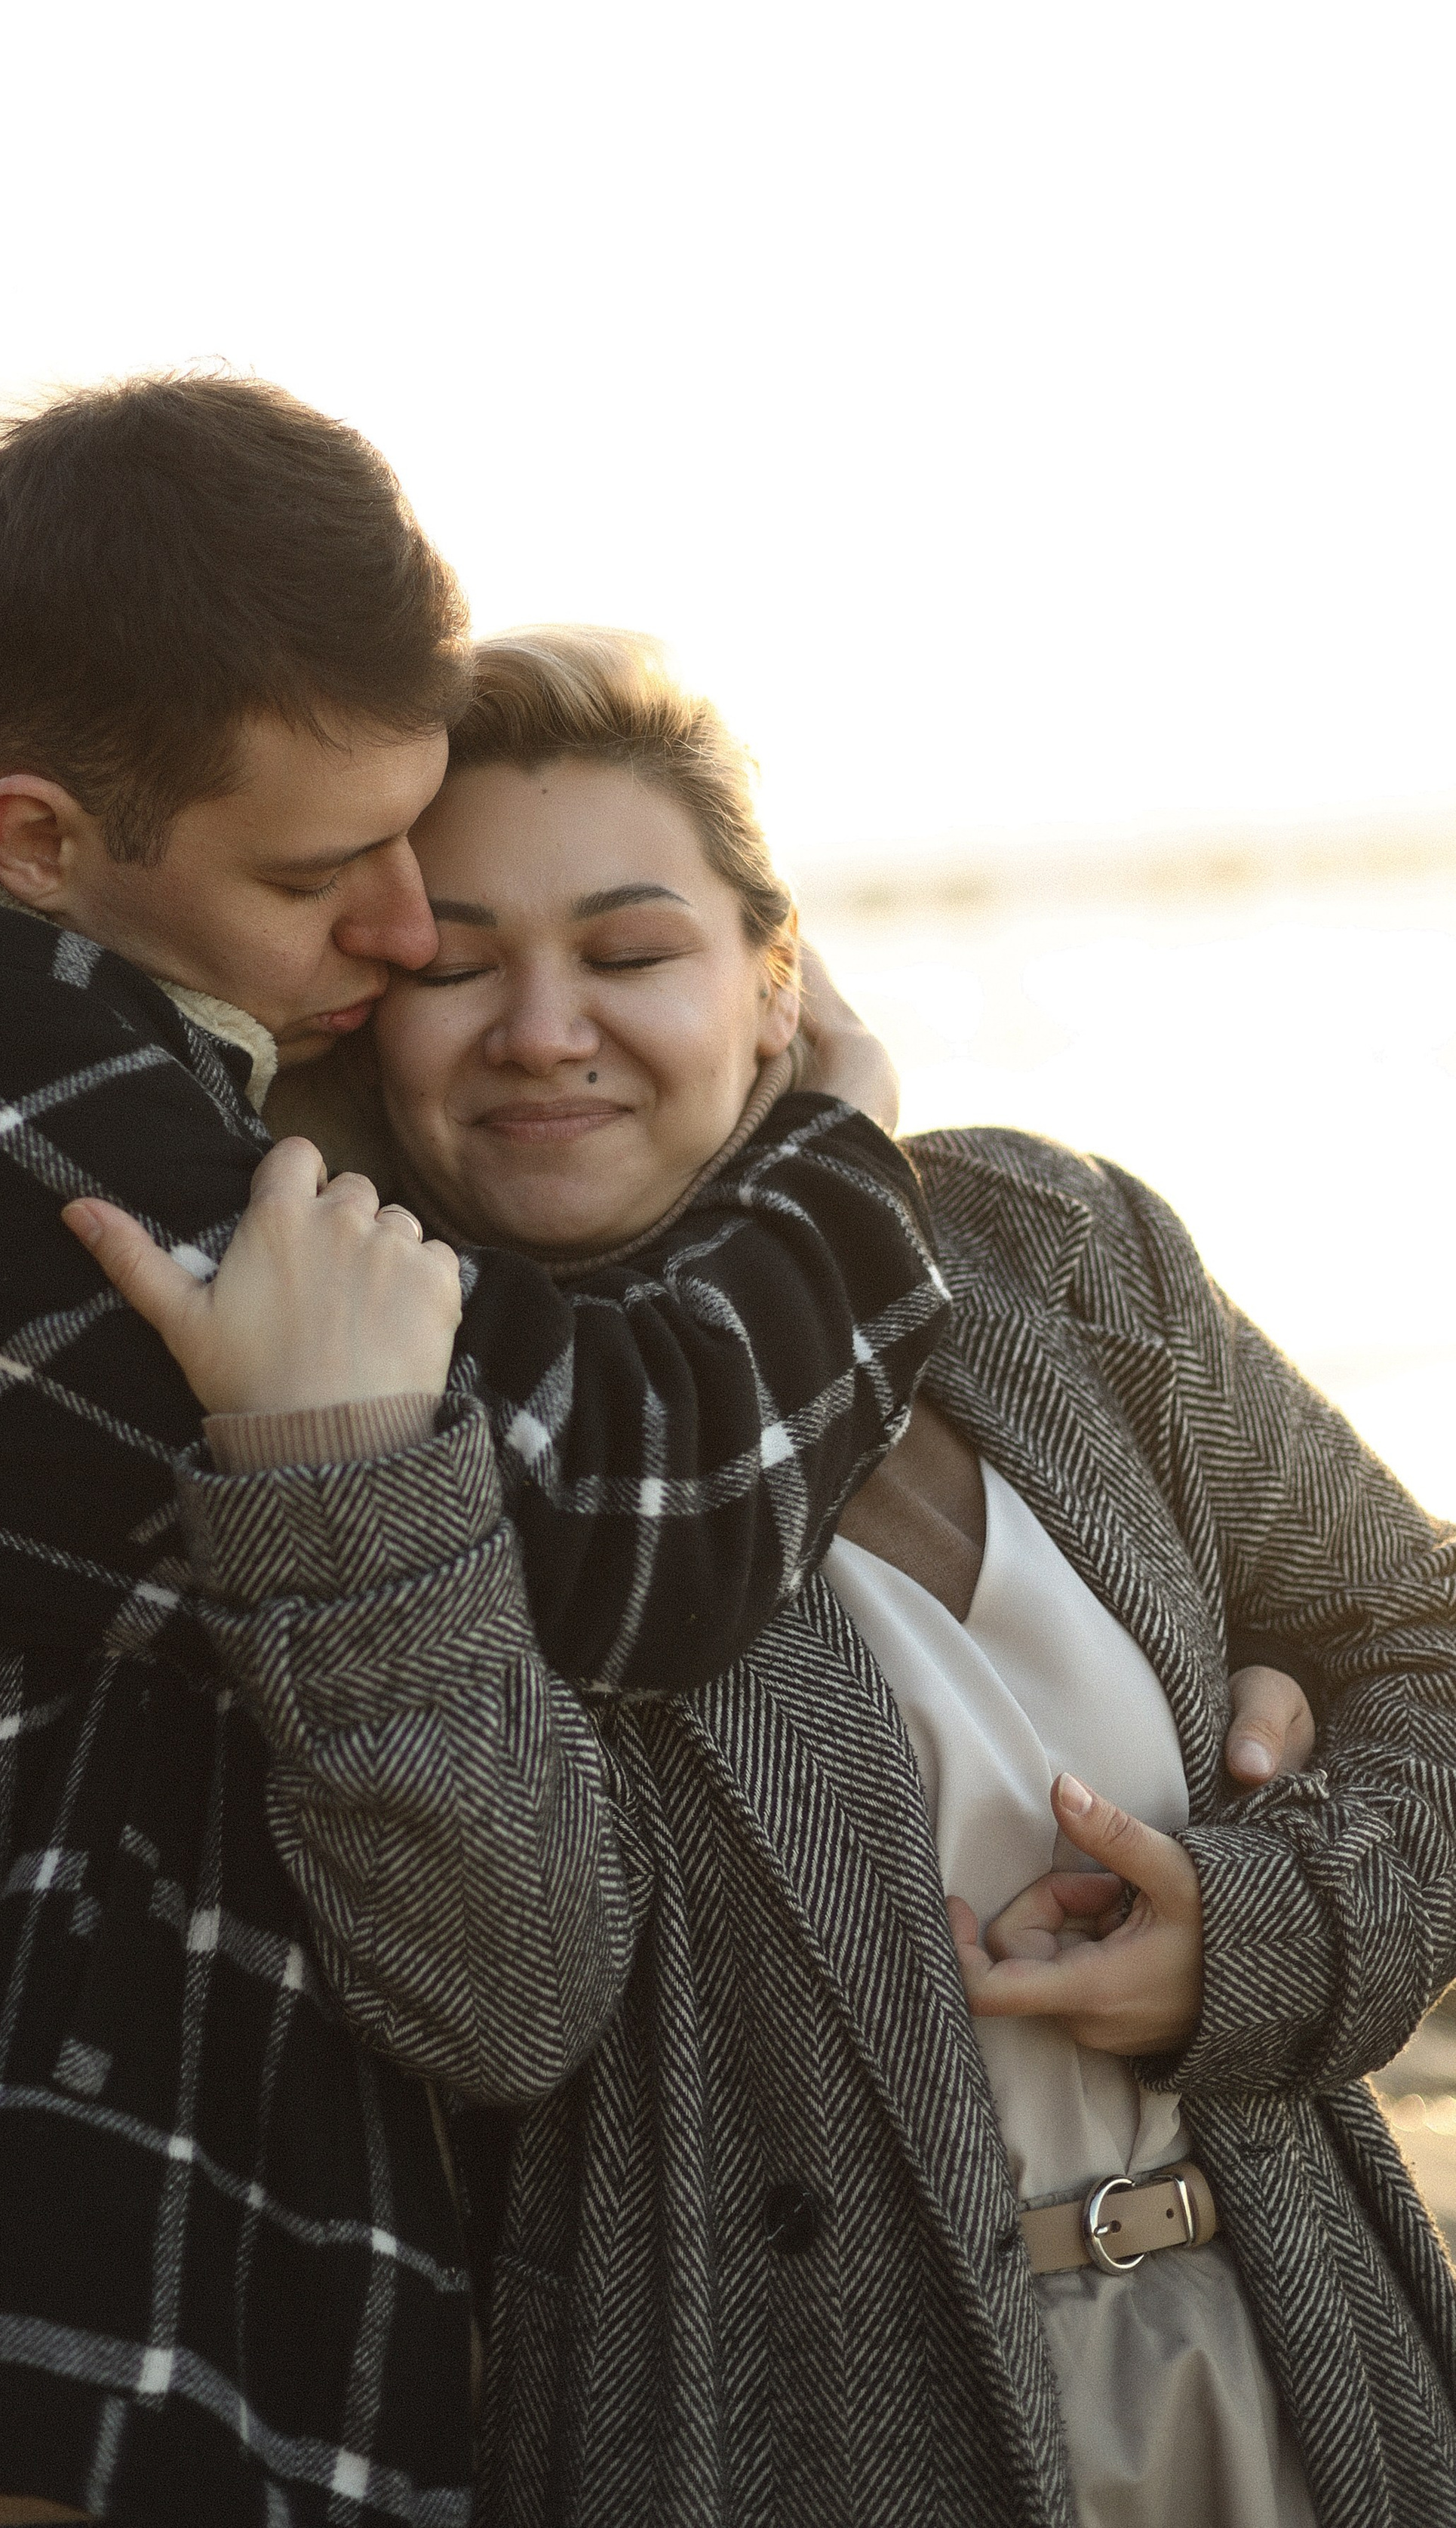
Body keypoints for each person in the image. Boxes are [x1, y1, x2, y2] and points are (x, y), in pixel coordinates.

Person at [0, 381, 964, 2528]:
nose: (413, 928)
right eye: (328, 870)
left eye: (415, 829)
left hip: (241, 2352)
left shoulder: (136, 1043)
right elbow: (626, 1521)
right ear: (41, 834)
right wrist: (850, 1163)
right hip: (30, 2366)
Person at [75, 625, 1456, 2528]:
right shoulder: (390, 1396)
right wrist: (338, 1489)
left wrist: (1268, 1926)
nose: (543, 1027)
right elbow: (499, 1997)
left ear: (770, 976)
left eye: (630, 952)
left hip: (1289, 2370)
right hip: (776, 2435)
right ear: (362, 1024)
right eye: (456, 964)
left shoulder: (1045, 1252)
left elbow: (1423, 1638)